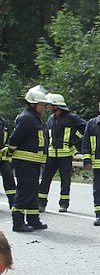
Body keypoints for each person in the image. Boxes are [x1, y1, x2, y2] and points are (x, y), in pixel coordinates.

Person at [7, 87, 50, 232]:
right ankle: (18, 222)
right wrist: (10, 150)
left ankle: (33, 220)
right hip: (25, 162)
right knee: (24, 191)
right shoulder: (27, 118)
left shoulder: (33, 118)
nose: (44, 107)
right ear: (33, 104)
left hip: (33, 162)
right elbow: (14, 138)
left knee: (32, 191)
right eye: (42, 105)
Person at [39, 93, 86, 212]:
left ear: (56, 105)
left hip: (65, 155)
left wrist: (74, 139)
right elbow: (47, 136)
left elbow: (85, 127)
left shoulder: (71, 118)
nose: (48, 107)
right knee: (45, 179)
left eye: (50, 105)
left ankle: (64, 204)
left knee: (65, 180)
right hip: (51, 155)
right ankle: (41, 203)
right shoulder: (50, 119)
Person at [0, 115, 15, 209]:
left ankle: (14, 205)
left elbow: (8, 139)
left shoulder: (3, 122)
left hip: (3, 159)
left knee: (10, 181)